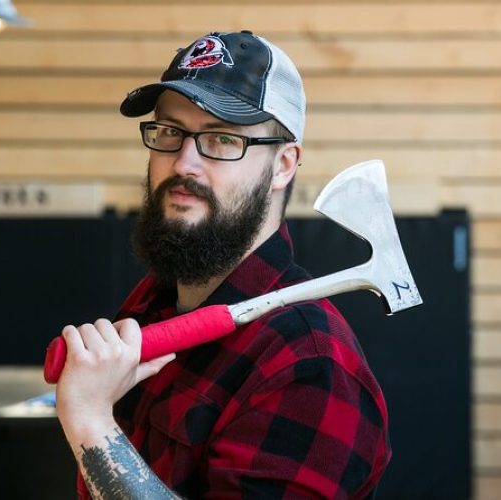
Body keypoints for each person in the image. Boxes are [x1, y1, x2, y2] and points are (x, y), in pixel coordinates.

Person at [55, 30, 391, 499]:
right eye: (171, 132)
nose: (183, 164)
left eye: (221, 138)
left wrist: (92, 424)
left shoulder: (310, 365)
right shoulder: (154, 302)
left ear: (283, 165)